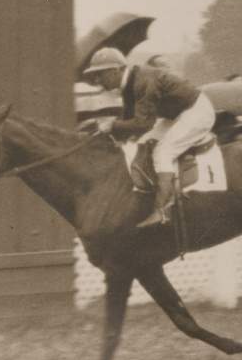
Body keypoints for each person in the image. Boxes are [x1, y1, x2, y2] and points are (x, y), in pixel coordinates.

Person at [83, 47, 216, 227]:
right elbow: (130, 123)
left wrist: (111, 126)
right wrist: (106, 132)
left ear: (116, 70)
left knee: (163, 153)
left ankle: (162, 209)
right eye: (95, 75)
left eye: (100, 74)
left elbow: (143, 124)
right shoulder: (128, 84)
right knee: (143, 143)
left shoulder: (142, 81)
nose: (97, 80)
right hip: (178, 114)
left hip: (197, 111)